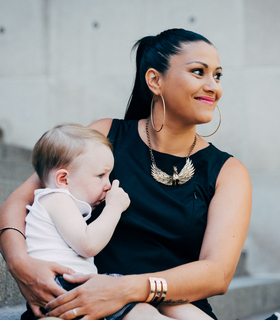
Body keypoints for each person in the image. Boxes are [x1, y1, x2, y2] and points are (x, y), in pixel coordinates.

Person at [0, 28, 252, 320]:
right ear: (155, 80)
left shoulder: (228, 172)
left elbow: (217, 274)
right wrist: (20, 264)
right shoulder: (105, 135)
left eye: (217, 76)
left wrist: (126, 288)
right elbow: (21, 200)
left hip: (173, 310)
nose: (213, 87)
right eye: (199, 72)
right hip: (84, 305)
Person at [23, 124, 216, 320]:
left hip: (71, 285)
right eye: (100, 175)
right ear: (63, 179)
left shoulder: (58, 202)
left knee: (149, 306)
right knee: (143, 310)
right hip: (65, 286)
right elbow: (88, 245)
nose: (108, 185)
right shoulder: (56, 199)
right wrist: (114, 207)